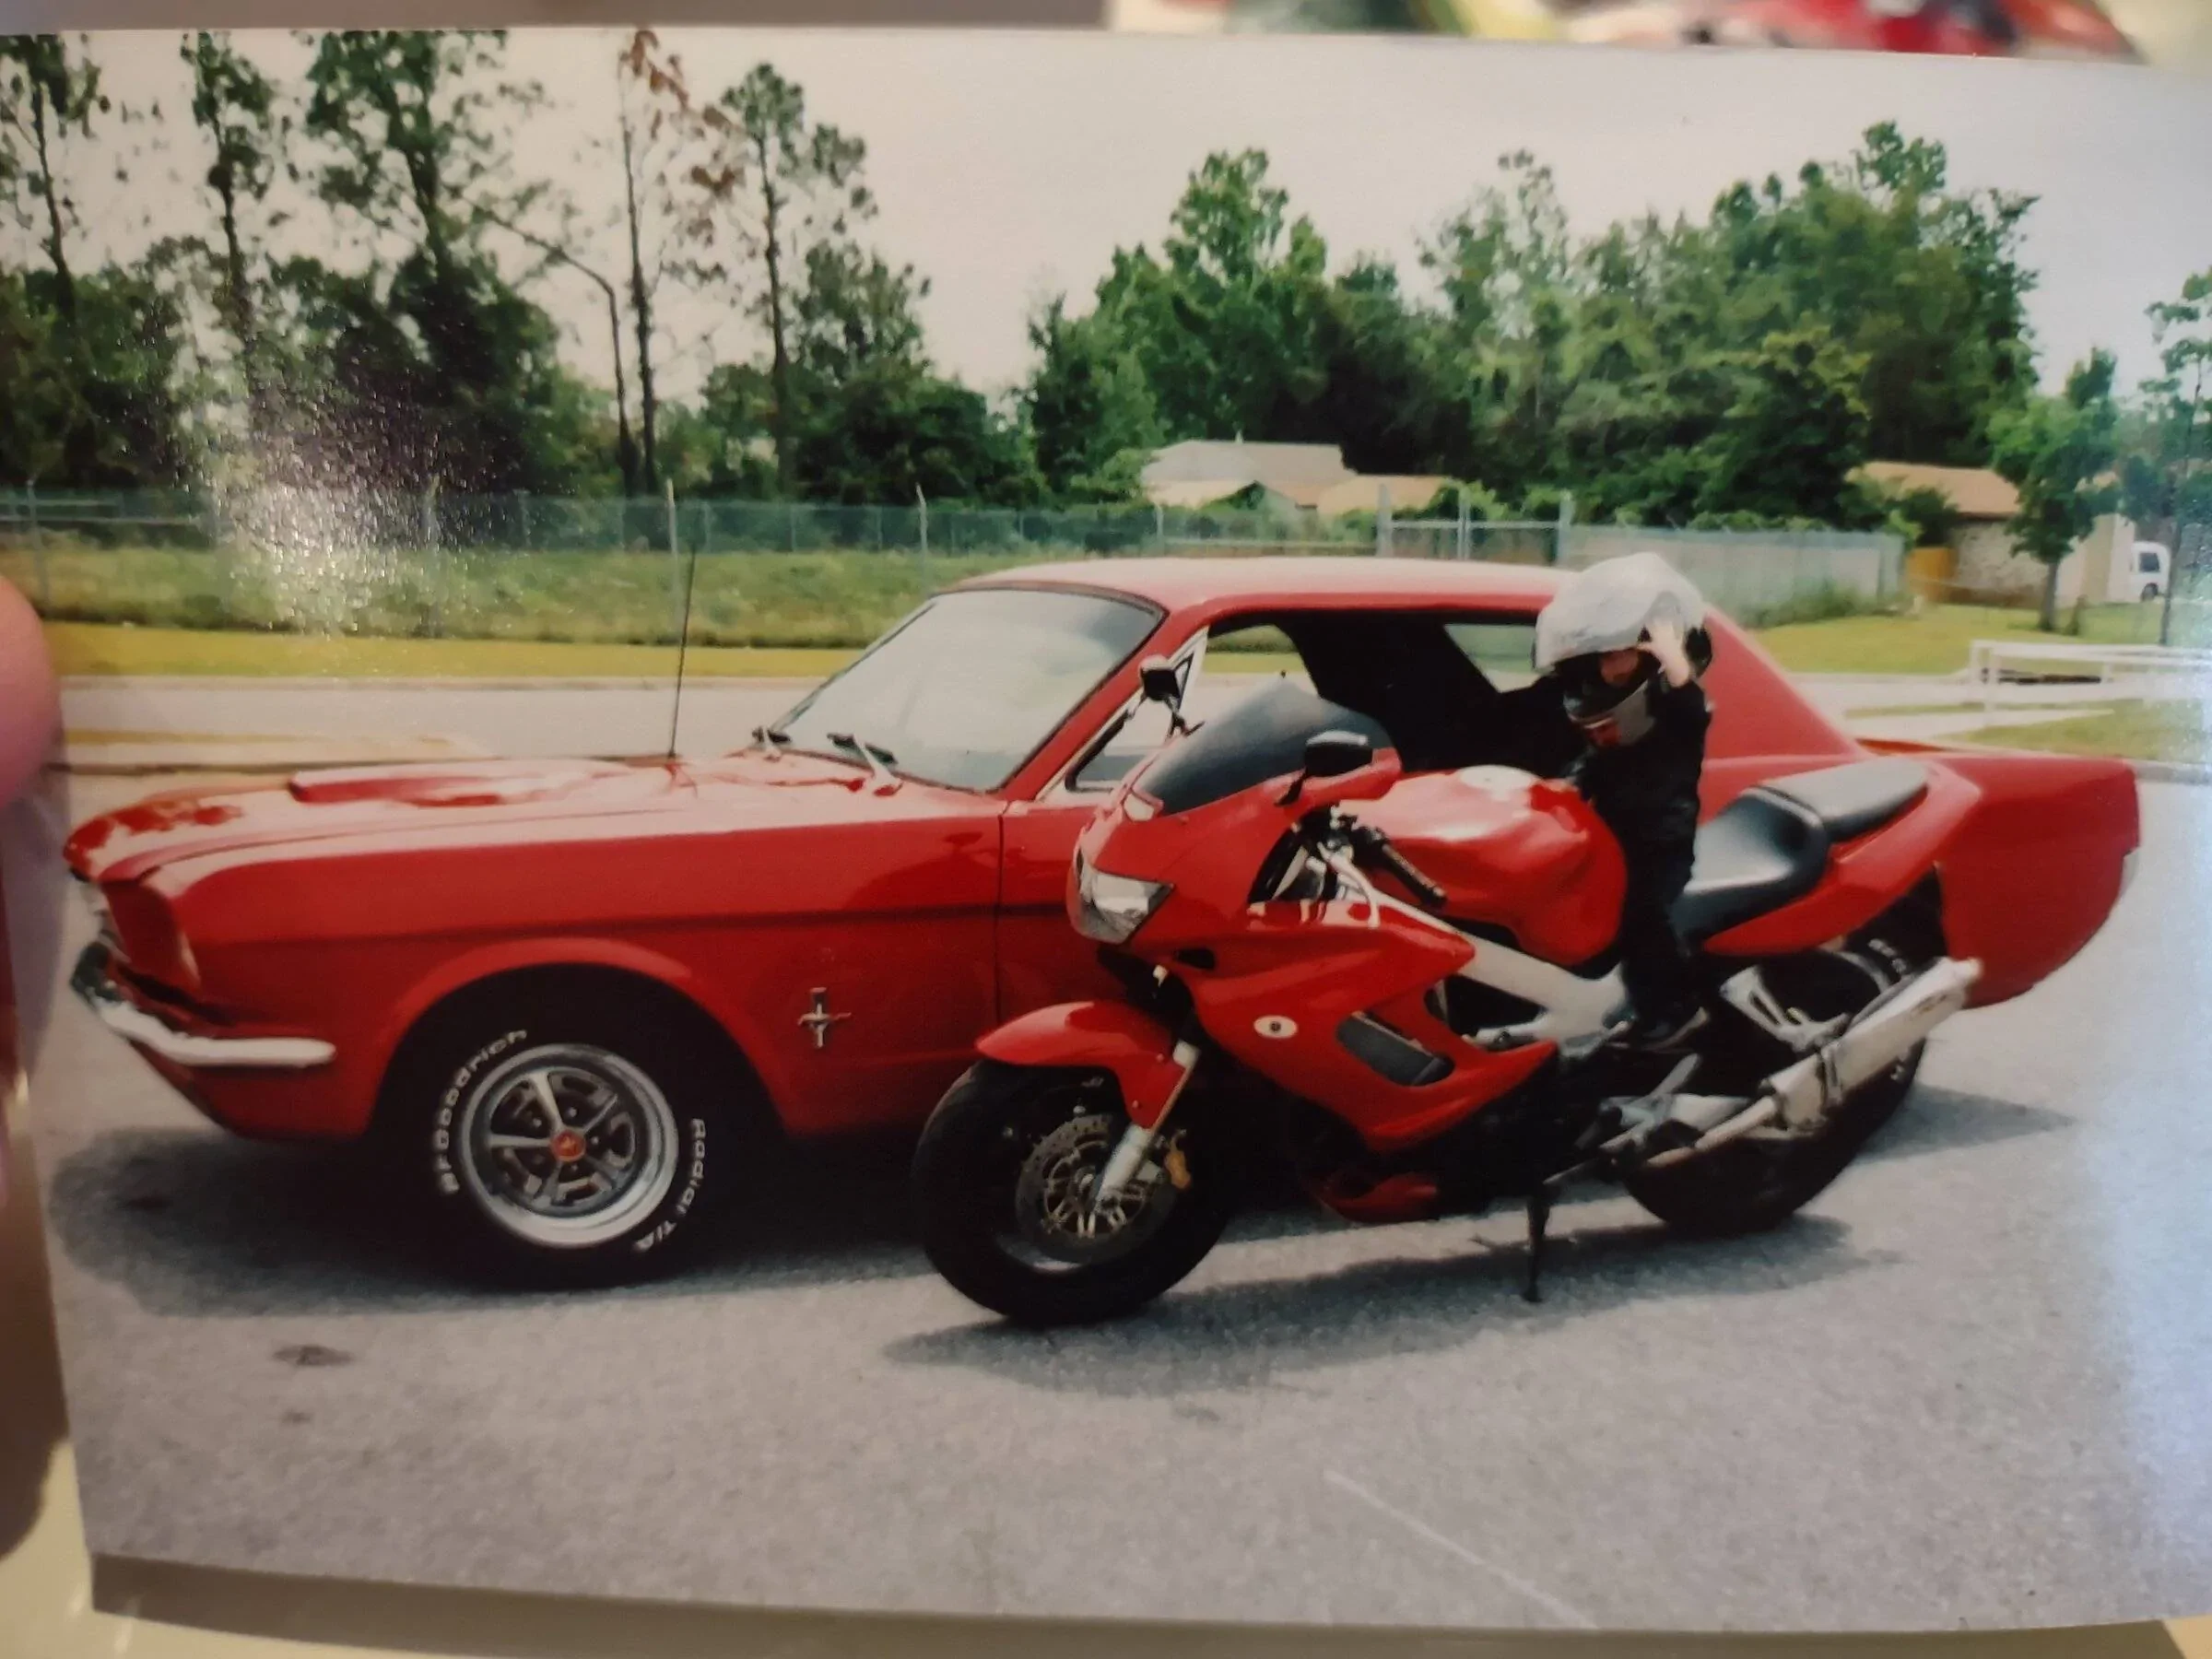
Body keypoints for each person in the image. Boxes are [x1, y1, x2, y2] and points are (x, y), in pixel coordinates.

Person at [1533, 555, 1713, 1052]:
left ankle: (1679, 1010)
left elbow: (1690, 705)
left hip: (1660, 839)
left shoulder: (1674, 712)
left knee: (1645, 917)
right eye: (1607, 656)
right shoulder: (1616, 715)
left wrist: (1672, 654)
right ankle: (1634, 1002)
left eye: (1626, 655)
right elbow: (1600, 758)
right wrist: (1569, 784)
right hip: (1618, 829)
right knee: (1613, 916)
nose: (1613, 666)